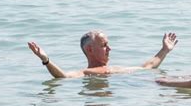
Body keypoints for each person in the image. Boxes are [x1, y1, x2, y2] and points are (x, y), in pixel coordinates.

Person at [28, 31, 179, 78]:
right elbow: (63, 76)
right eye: (104, 45)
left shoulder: (119, 68)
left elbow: (148, 66)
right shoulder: (86, 73)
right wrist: (46, 60)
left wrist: (165, 50)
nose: (110, 49)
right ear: (90, 50)